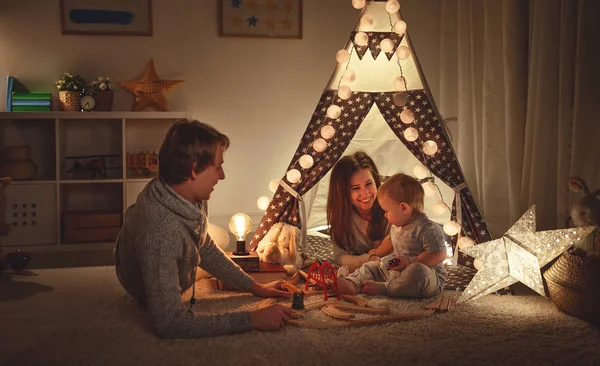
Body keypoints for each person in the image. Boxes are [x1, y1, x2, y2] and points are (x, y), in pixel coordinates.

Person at [115, 119, 292, 339]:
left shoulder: (190, 193)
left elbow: (203, 245)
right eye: (217, 167)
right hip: (141, 270)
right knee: (185, 254)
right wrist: (252, 319)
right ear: (193, 171)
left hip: (169, 238)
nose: (222, 176)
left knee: (215, 240)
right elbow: (170, 323)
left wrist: (255, 287)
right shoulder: (160, 234)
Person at [337, 173, 447, 298]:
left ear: (404, 208)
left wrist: (410, 261)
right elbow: (390, 240)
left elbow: (439, 254)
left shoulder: (427, 229)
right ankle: (353, 283)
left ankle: (386, 288)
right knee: (373, 266)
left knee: (417, 271)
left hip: (428, 278)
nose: (385, 215)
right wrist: (377, 253)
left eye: (386, 211)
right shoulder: (397, 226)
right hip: (399, 271)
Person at [326, 150, 390, 272]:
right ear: (342, 193)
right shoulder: (342, 216)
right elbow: (340, 256)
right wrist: (366, 259)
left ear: (376, 181)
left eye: (368, 184)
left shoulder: (391, 208)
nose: (365, 193)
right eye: (355, 188)